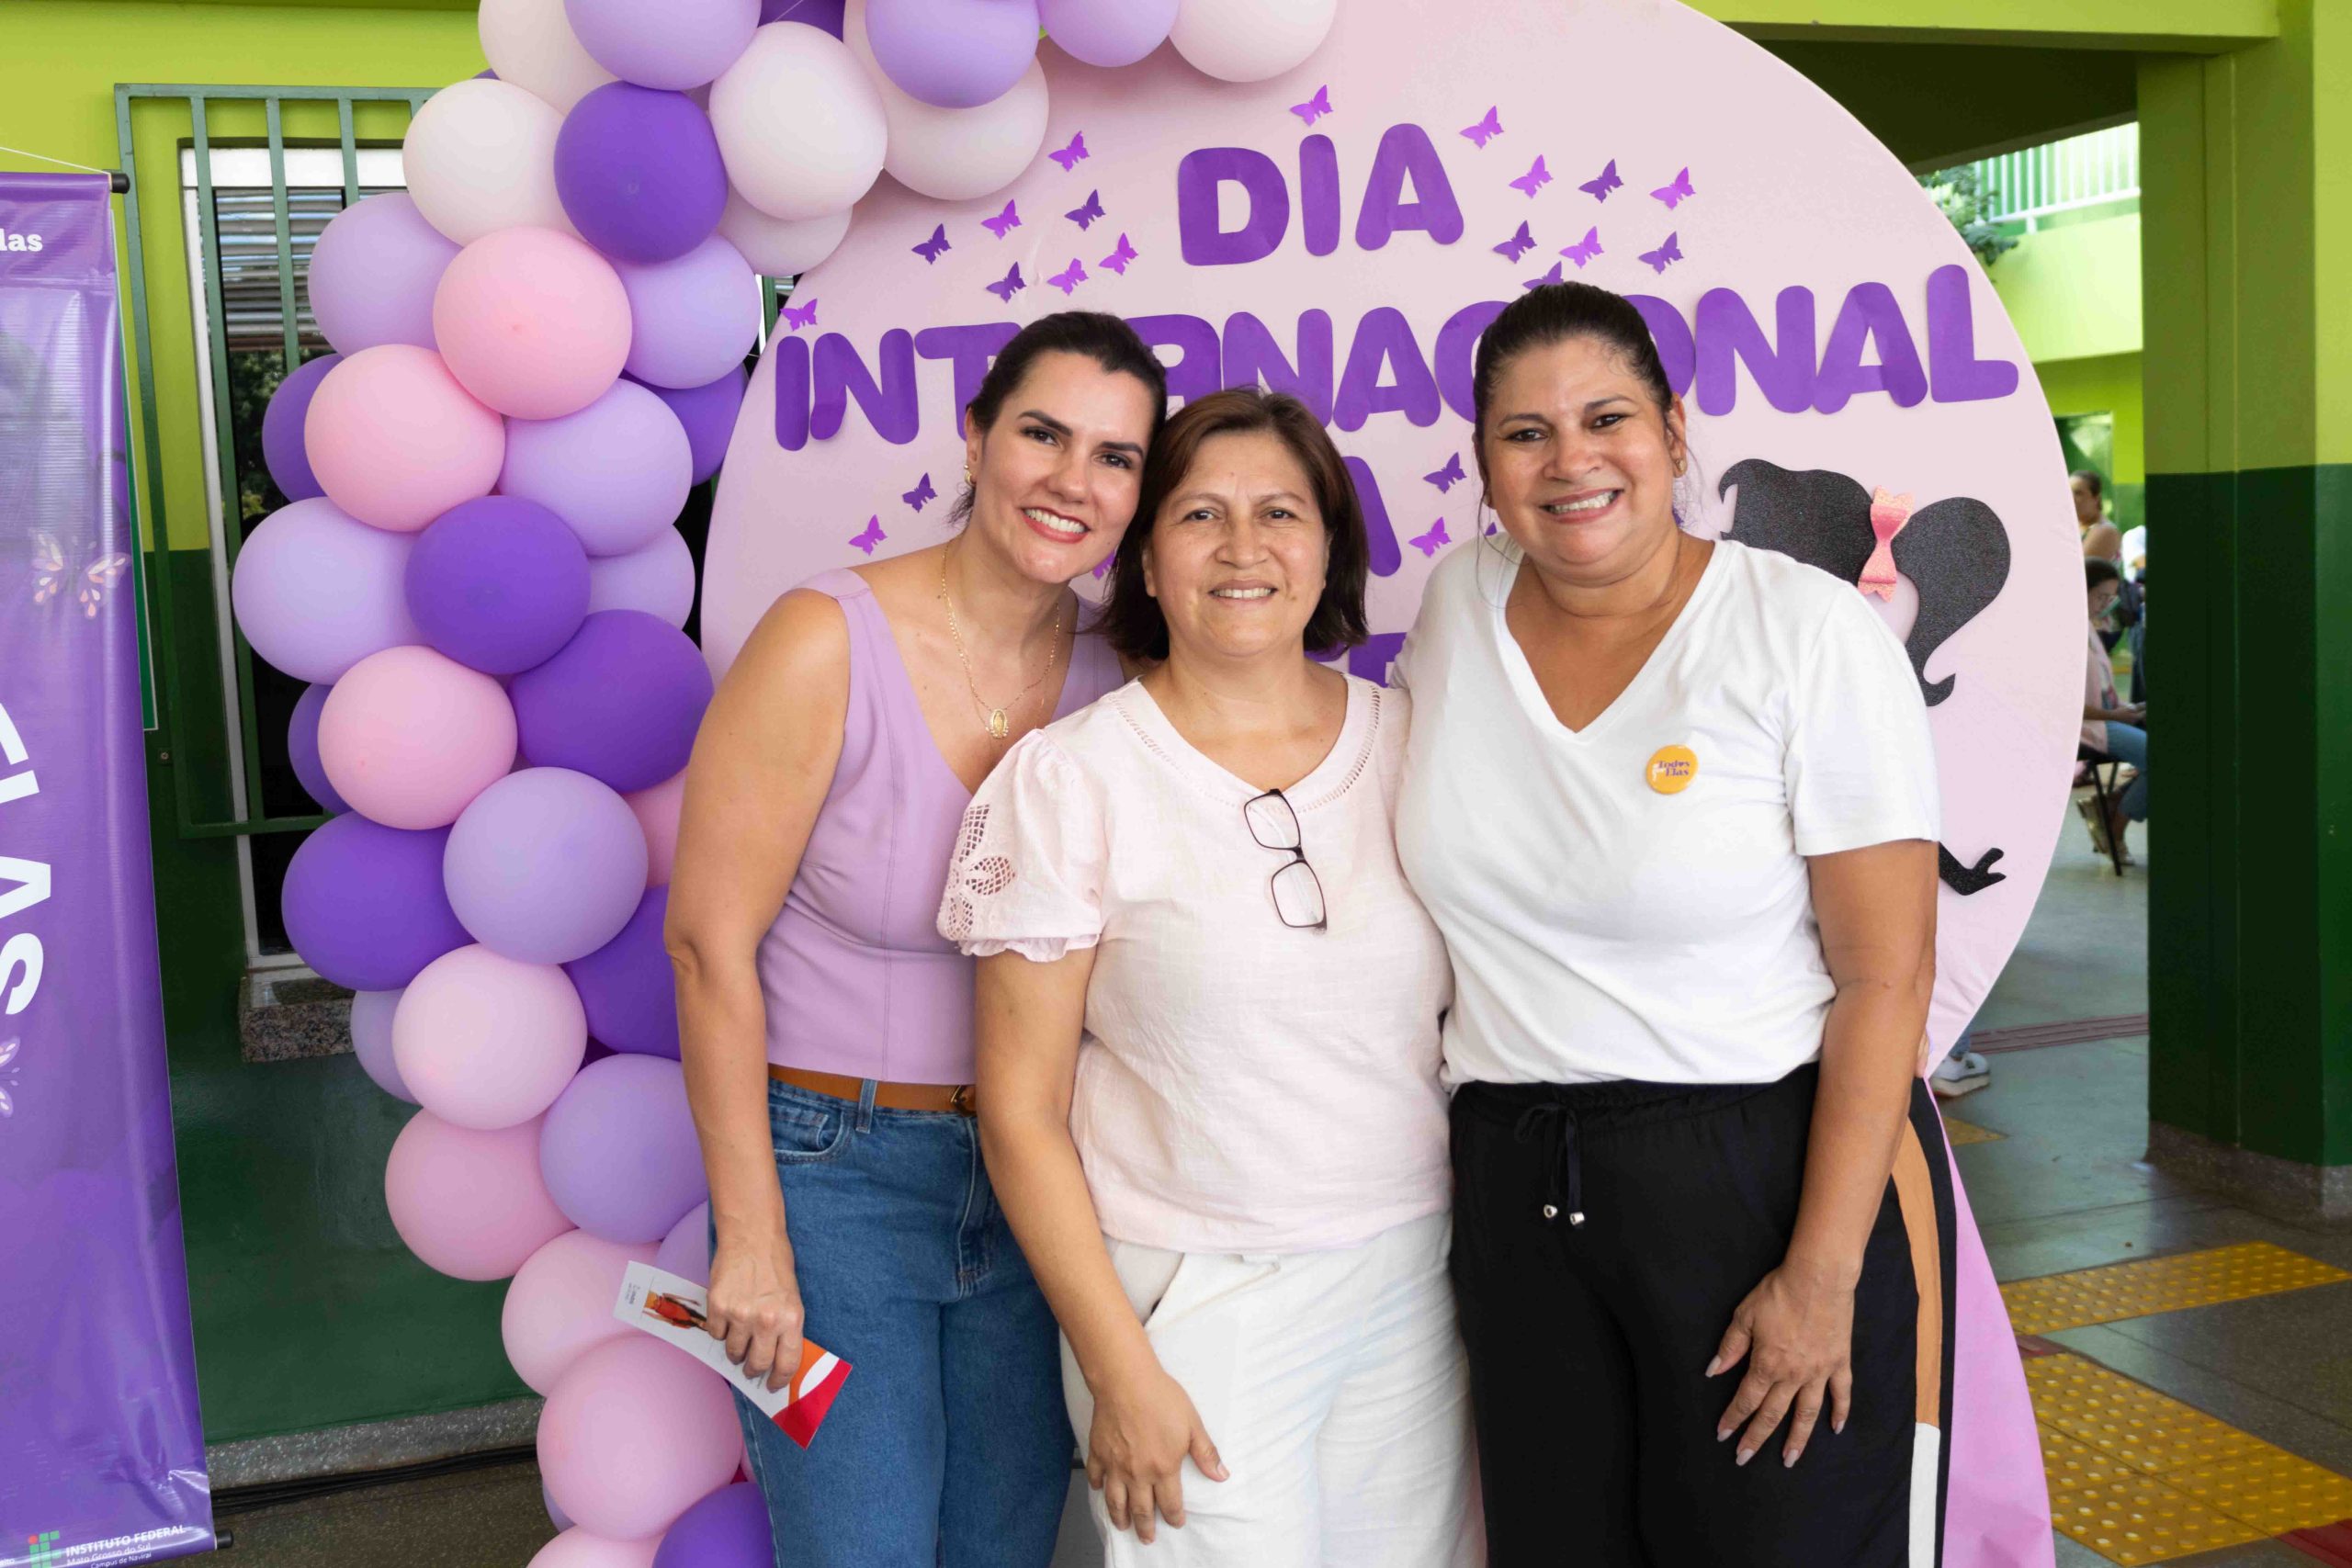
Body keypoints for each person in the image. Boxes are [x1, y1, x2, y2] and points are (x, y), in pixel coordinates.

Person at [1396, 281, 2037, 1564]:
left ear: (1674, 431)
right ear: (1482, 460)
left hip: (1754, 1177)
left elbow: (1886, 979)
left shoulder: (1805, 633)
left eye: (1607, 419)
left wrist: (1821, 1273)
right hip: (1515, 1183)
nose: (1570, 460)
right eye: (1525, 433)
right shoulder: (1458, 603)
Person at [664, 311, 1165, 1568]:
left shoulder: (1121, 675)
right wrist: (753, 1235)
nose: (1073, 479)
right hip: (833, 1175)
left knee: (1008, 1545)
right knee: (861, 1550)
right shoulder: (822, 637)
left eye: (1115, 457)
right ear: (977, 435)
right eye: (1043, 434)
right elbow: (708, 946)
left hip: (1044, 1173)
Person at [946, 388, 1478, 1566]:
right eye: (1200, 516)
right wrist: (1118, 1365)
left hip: (1413, 1275)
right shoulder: (1070, 780)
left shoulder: (1417, 741)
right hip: (1193, 1296)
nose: (1244, 548)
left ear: (1329, 546)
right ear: (1146, 556)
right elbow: (1020, 1114)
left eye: (1280, 513)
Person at [2080, 557, 2147, 863]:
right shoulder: (2064, 633)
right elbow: (2069, 709)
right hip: (2088, 726)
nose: (2104, 605)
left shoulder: (2087, 627)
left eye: (2110, 598)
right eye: (2100, 597)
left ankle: (2111, 804)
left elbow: (2104, 691)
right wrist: (2115, 715)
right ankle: (2115, 828)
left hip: (2105, 719)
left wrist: (2126, 708)